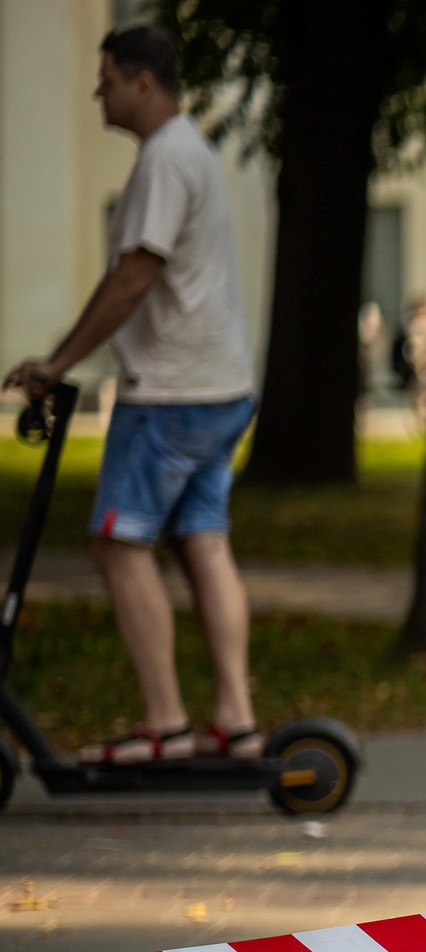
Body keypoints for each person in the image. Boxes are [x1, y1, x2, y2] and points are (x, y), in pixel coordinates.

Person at [4, 24, 260, 763]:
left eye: (107, 79)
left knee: (118, 544)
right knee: (202, 541)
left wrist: (55, 363)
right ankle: (237, 722)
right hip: (221, 386)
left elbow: (131, 280)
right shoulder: (194, 153)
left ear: (143, 85)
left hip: (172, 392)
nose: (97, 93)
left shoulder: (164, 159)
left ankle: (166, 724)